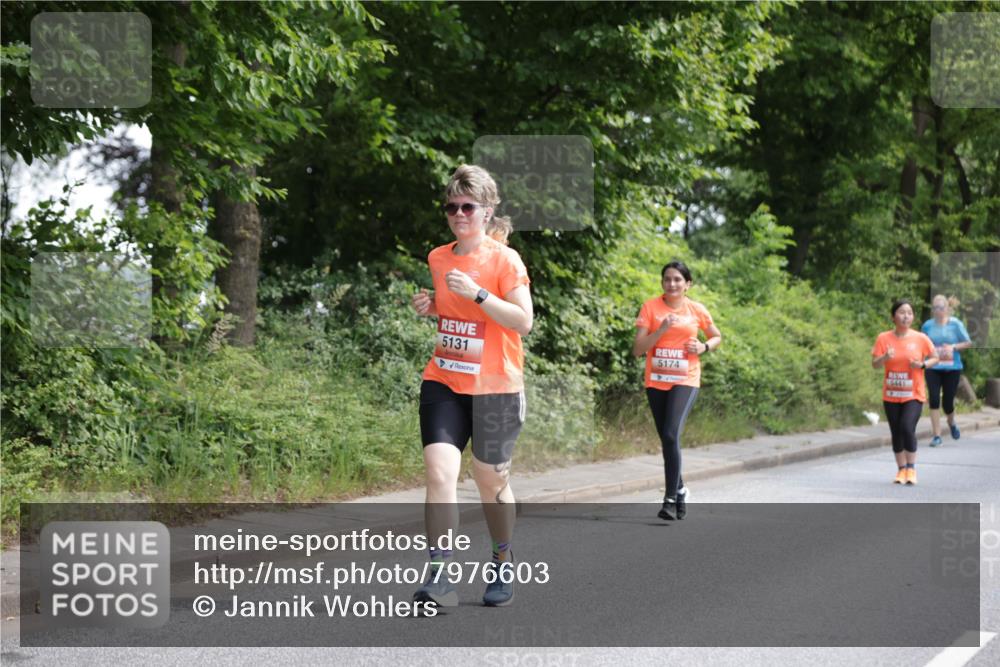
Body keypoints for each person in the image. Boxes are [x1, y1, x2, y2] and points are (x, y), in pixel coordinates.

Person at [410, 165, 532, 608]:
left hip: (496, 386)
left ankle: (502, 558)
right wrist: (432, 307)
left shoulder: (505, 260)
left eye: (467, 206)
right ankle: (440, 575)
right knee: (439, 473)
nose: (458, 214)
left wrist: (480, 294)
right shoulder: (438, 258)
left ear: (487, 210)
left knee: (490, 482)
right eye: (451, 207)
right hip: (445, 378)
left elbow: (524, 321)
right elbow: (454, 316)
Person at [633, 261, 721, 520]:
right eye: (667, 279)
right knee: (667, 438)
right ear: (662, 282)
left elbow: (716, 336)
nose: (672, 284)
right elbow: (638, 349)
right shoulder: (651, 307)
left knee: (671, 433)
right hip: (657, 380)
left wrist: (704, 347)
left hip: (685, 379)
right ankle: (680, 488)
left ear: (687, 284)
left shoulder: (696, 309)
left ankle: (670, 499)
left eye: (677, 280)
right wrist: (661, 329)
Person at [871, 299, 939, 485]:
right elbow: (875, 365)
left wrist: (923, 365)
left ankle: (911, 469)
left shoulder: (920, 338)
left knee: (907, 427)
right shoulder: (883, 338)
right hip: (891, 395)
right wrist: (885, 357)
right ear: (894, 317)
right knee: (896, 432)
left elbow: (936, 357)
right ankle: (901, 470)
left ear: (913, 317)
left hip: (913, 394)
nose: (906, 316)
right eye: (901, 312)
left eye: (909, 313)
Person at [921, 295, 973, 447]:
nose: (938, 310)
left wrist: (953, 347)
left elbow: (968, 342)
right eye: (935, 308)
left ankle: (951, 423)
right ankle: (937, 436)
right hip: (933, 367)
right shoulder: (927, 325)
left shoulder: (956, 324)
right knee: (934, 399)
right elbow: (921, 343)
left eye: (941, 307)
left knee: (947, 403)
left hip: (952, 368)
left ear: (947, 309)